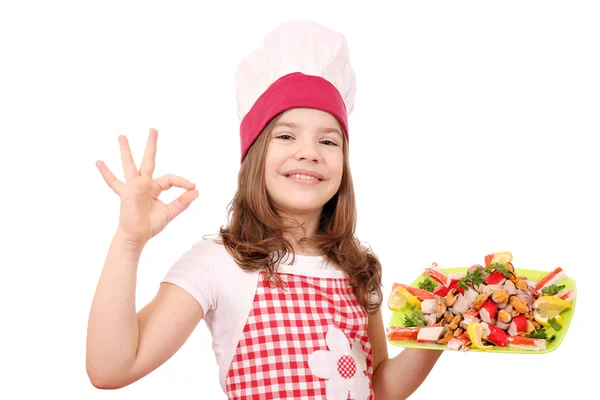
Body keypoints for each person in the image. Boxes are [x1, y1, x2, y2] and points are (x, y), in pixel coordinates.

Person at [86, 19, 442, 399]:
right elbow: (112, 369)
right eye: (286, 135)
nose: (309, 151)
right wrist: (129, 241)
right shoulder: (218, 262)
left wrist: (434, 336)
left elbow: (378, 388)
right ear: (254, 155)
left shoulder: (358, 266)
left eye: (328, 140)